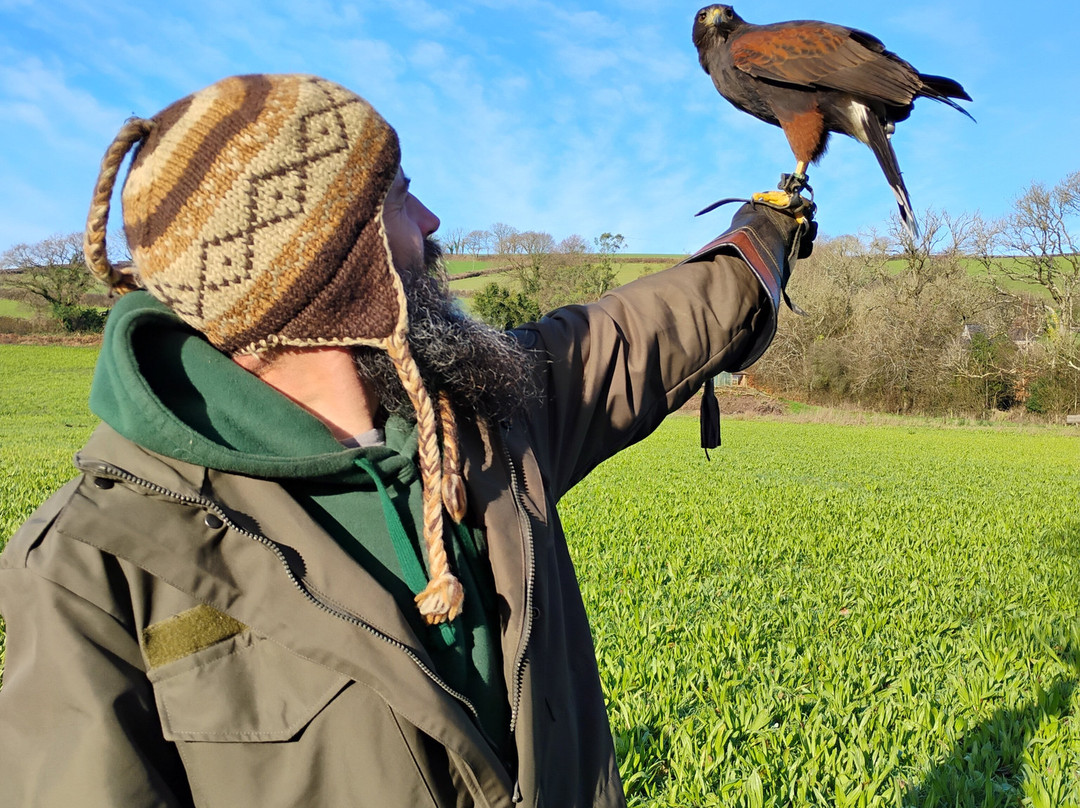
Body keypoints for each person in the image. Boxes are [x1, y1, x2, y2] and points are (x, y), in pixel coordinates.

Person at [0, 74, 813, 807]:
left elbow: (645, 332)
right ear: (329, 265)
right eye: (401, 199)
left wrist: (762, 235)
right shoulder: (95, 561)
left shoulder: (489, 415)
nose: (432, 223)